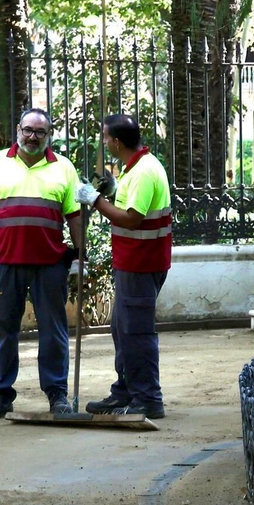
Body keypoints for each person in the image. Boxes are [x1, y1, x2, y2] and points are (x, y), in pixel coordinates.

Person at [0, 109, 85, 419]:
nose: (33, 136)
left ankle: (57, 394)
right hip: (4, 264)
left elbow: (74, 217)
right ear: (18, 129)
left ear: (49, 135)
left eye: (40, 132)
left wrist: (79, 259)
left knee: (54, 329)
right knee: (4, 328)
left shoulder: (64, 168)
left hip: (50, 264)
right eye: (28, 130)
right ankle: (1, 396)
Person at [76, 114, 171, 419]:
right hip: (134, 262)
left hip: (142, 264)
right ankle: (126, 391)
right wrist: (112, 191)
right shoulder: (136, 168)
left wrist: (95, 201)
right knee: (122, 328)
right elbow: (129, 203)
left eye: (105, 138)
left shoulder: (144, 172)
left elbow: (132, 218)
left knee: (136, 333)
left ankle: (147, 399)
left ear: (116, 141)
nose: (103, 143)